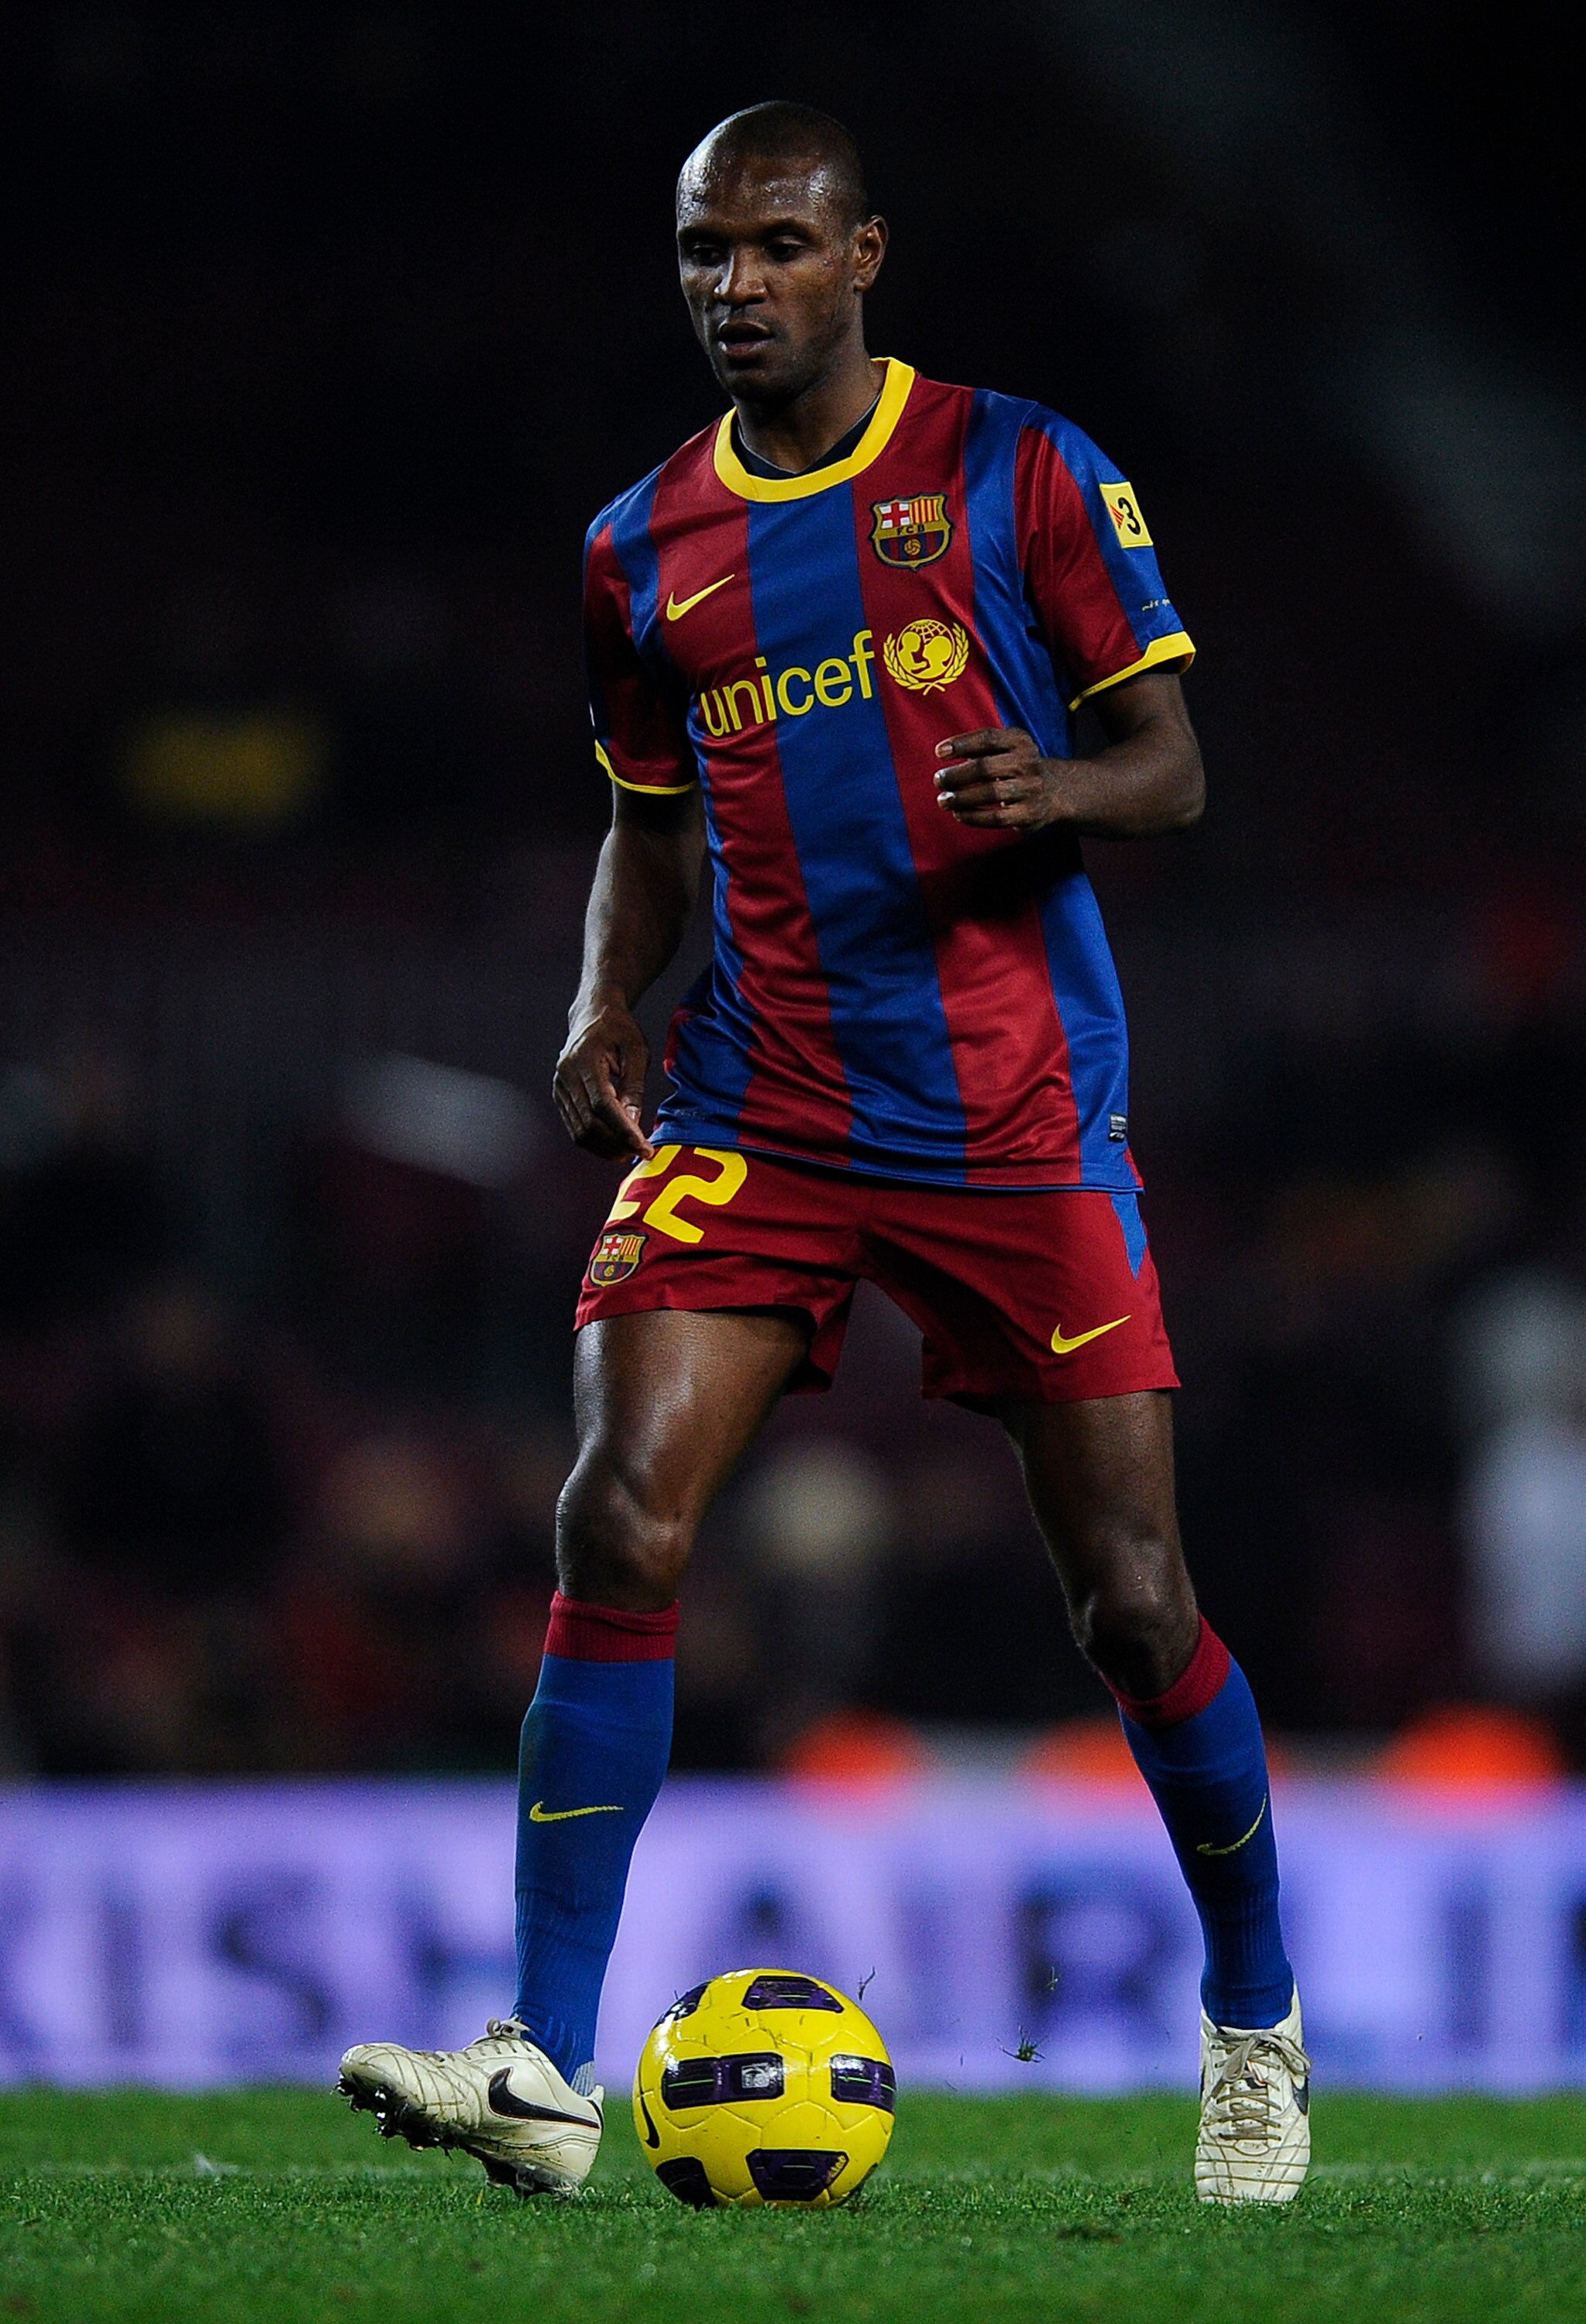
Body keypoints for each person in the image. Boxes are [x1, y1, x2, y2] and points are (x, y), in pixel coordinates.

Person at [339, 100, 1309, 2205]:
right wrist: (608, 1000)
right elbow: (644, 816)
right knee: (621, 1516)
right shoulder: (637, 545)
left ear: (865, 251)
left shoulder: (1019, 466)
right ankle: (544, 2065)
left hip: (1010, 1116)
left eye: (776, 245)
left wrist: (1049, 786)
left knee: (1134, 1607)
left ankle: (1254, 2031)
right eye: (704, 252)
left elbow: (1176, 772)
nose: (734, 286)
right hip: (759, 1107)